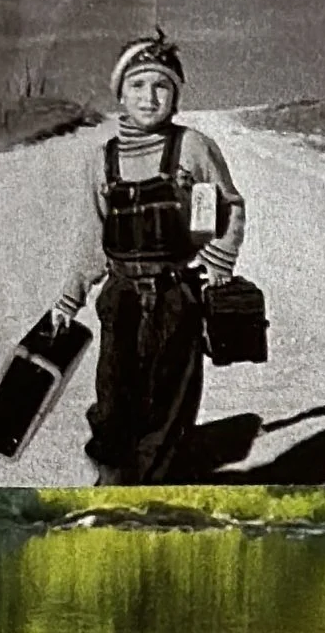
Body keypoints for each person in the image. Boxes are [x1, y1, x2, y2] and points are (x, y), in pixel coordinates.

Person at [47, 31, 246, 484]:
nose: (149, 97)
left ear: (175, 95)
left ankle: (151, 492)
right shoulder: (102, 160)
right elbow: (91, 235)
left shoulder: (191, 148)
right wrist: (67, 301)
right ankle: (111, 481)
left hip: (176, 296)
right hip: (120, 297)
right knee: (113, 398)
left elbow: (223, 208)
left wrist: (217, 260)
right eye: (137, 85)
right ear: (120, 94)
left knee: (167, 402)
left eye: (161, 86)